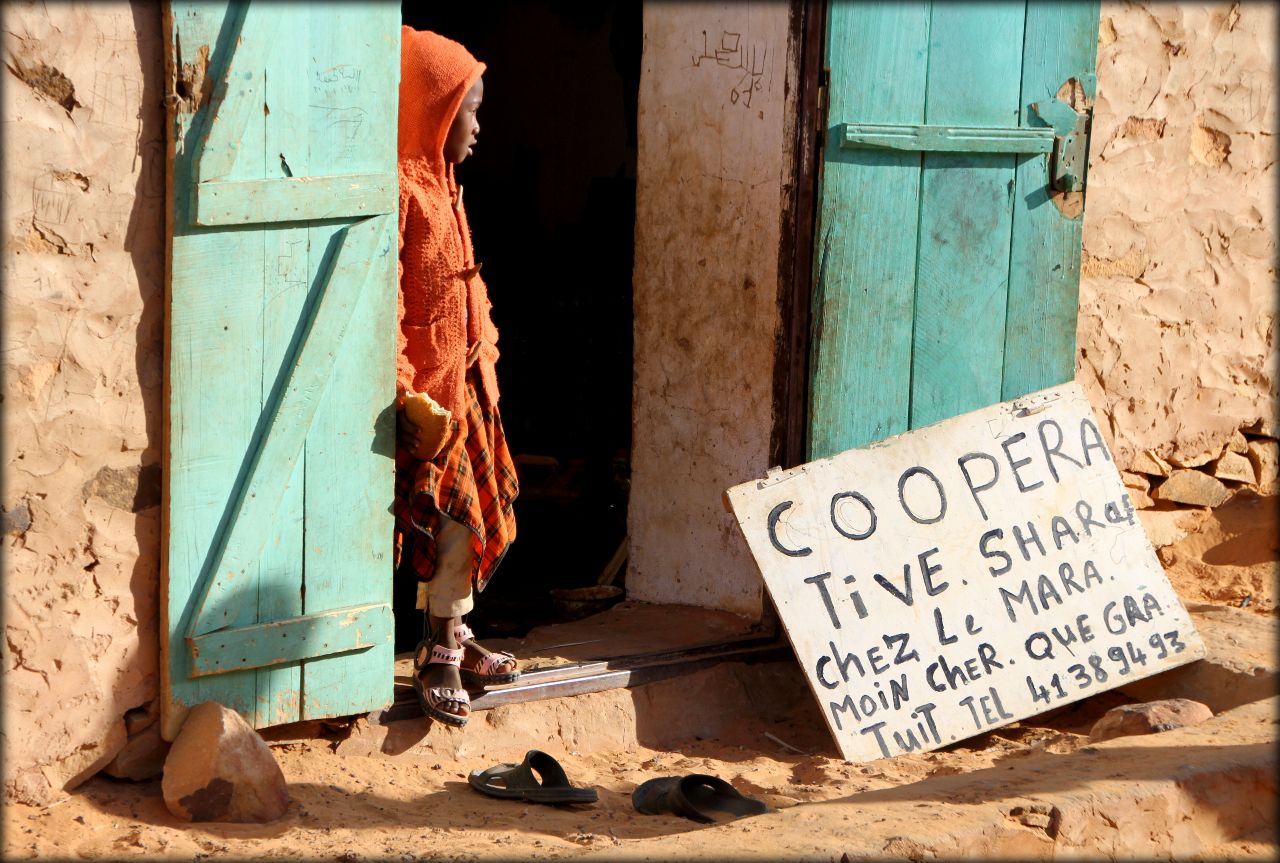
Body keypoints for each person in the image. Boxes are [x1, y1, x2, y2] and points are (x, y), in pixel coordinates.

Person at [394, 26, 519, 727]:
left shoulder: (448, 191)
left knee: (470, 522)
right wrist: (408, 390)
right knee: (448, 521)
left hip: (472, 385)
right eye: (469, 110)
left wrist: (485, 358)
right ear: (439, 116)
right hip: (432, 394)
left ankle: (458, 629)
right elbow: (393, 305)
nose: (478, 125)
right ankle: (438, 648)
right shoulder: (406, 197)